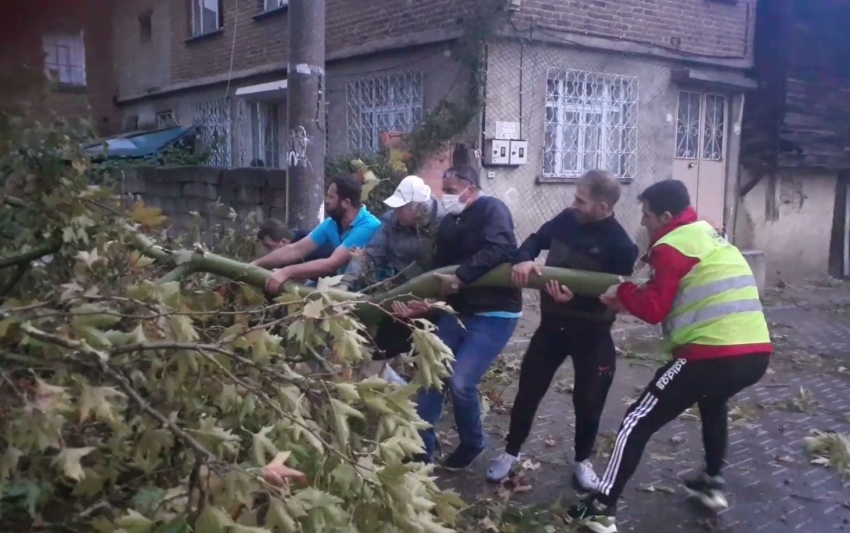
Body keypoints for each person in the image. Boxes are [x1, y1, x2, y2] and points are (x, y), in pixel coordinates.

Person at [567, 179, 772, 533]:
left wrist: (625, 291)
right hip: (755, 353)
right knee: (713, 403)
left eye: (646, 215)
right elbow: (676, 294)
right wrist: (633, 296)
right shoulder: (707, 235)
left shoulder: (671, 246)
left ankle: (601, 508)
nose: (643, 222)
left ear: (665, 216)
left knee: (636, 421)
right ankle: (711, 482)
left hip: (710, 353)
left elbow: (654, 309)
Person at [487, 170, 638, 490]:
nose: (574, 204)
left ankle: (583, 462)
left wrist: (577, 300)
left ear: (604, 207)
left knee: (589, 401)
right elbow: (534, 240)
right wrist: (524, 259)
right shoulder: (567, 219)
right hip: (552, 327)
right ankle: (511, 453)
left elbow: (614, 299)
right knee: (528, 391)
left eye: (581, 200)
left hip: (592, 332)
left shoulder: (621, 246)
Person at [395, 165, 522, 470]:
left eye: (451, 190)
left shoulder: (493, 209)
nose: (447, 197)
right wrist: (426, 305)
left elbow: (501, 248)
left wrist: (462, 277)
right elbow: (441, 276)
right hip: (459, 310)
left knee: (462, 381)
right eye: (445, 190)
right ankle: (421, 449)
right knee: (431, 375)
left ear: (471, 188)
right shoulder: (449, 224)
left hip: (495, 312)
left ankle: (473, 443)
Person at [337, 175, 445, 384]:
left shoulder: (444, 224)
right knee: (379, 349)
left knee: (432, 366)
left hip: (436, 303)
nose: (395, 213)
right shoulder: (390, 221)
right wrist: (345, 284)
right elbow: (370, 255)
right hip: (399, 296)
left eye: (400, 208)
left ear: (418, 209)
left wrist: (432, 304)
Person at [253, 175, 381, 294]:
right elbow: (295, 249)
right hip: (345, 287)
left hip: (371, 291)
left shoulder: (368, 225)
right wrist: (255, 264)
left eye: (331, 197)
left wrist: (286, 272)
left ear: (346, 203)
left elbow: (331, 264)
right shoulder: (331, 224)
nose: (326, 201)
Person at [256, 219, 335, 263]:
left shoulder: (309, 245)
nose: (268, 253)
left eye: (270, 247)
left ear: (284, 242)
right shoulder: (296, 237)